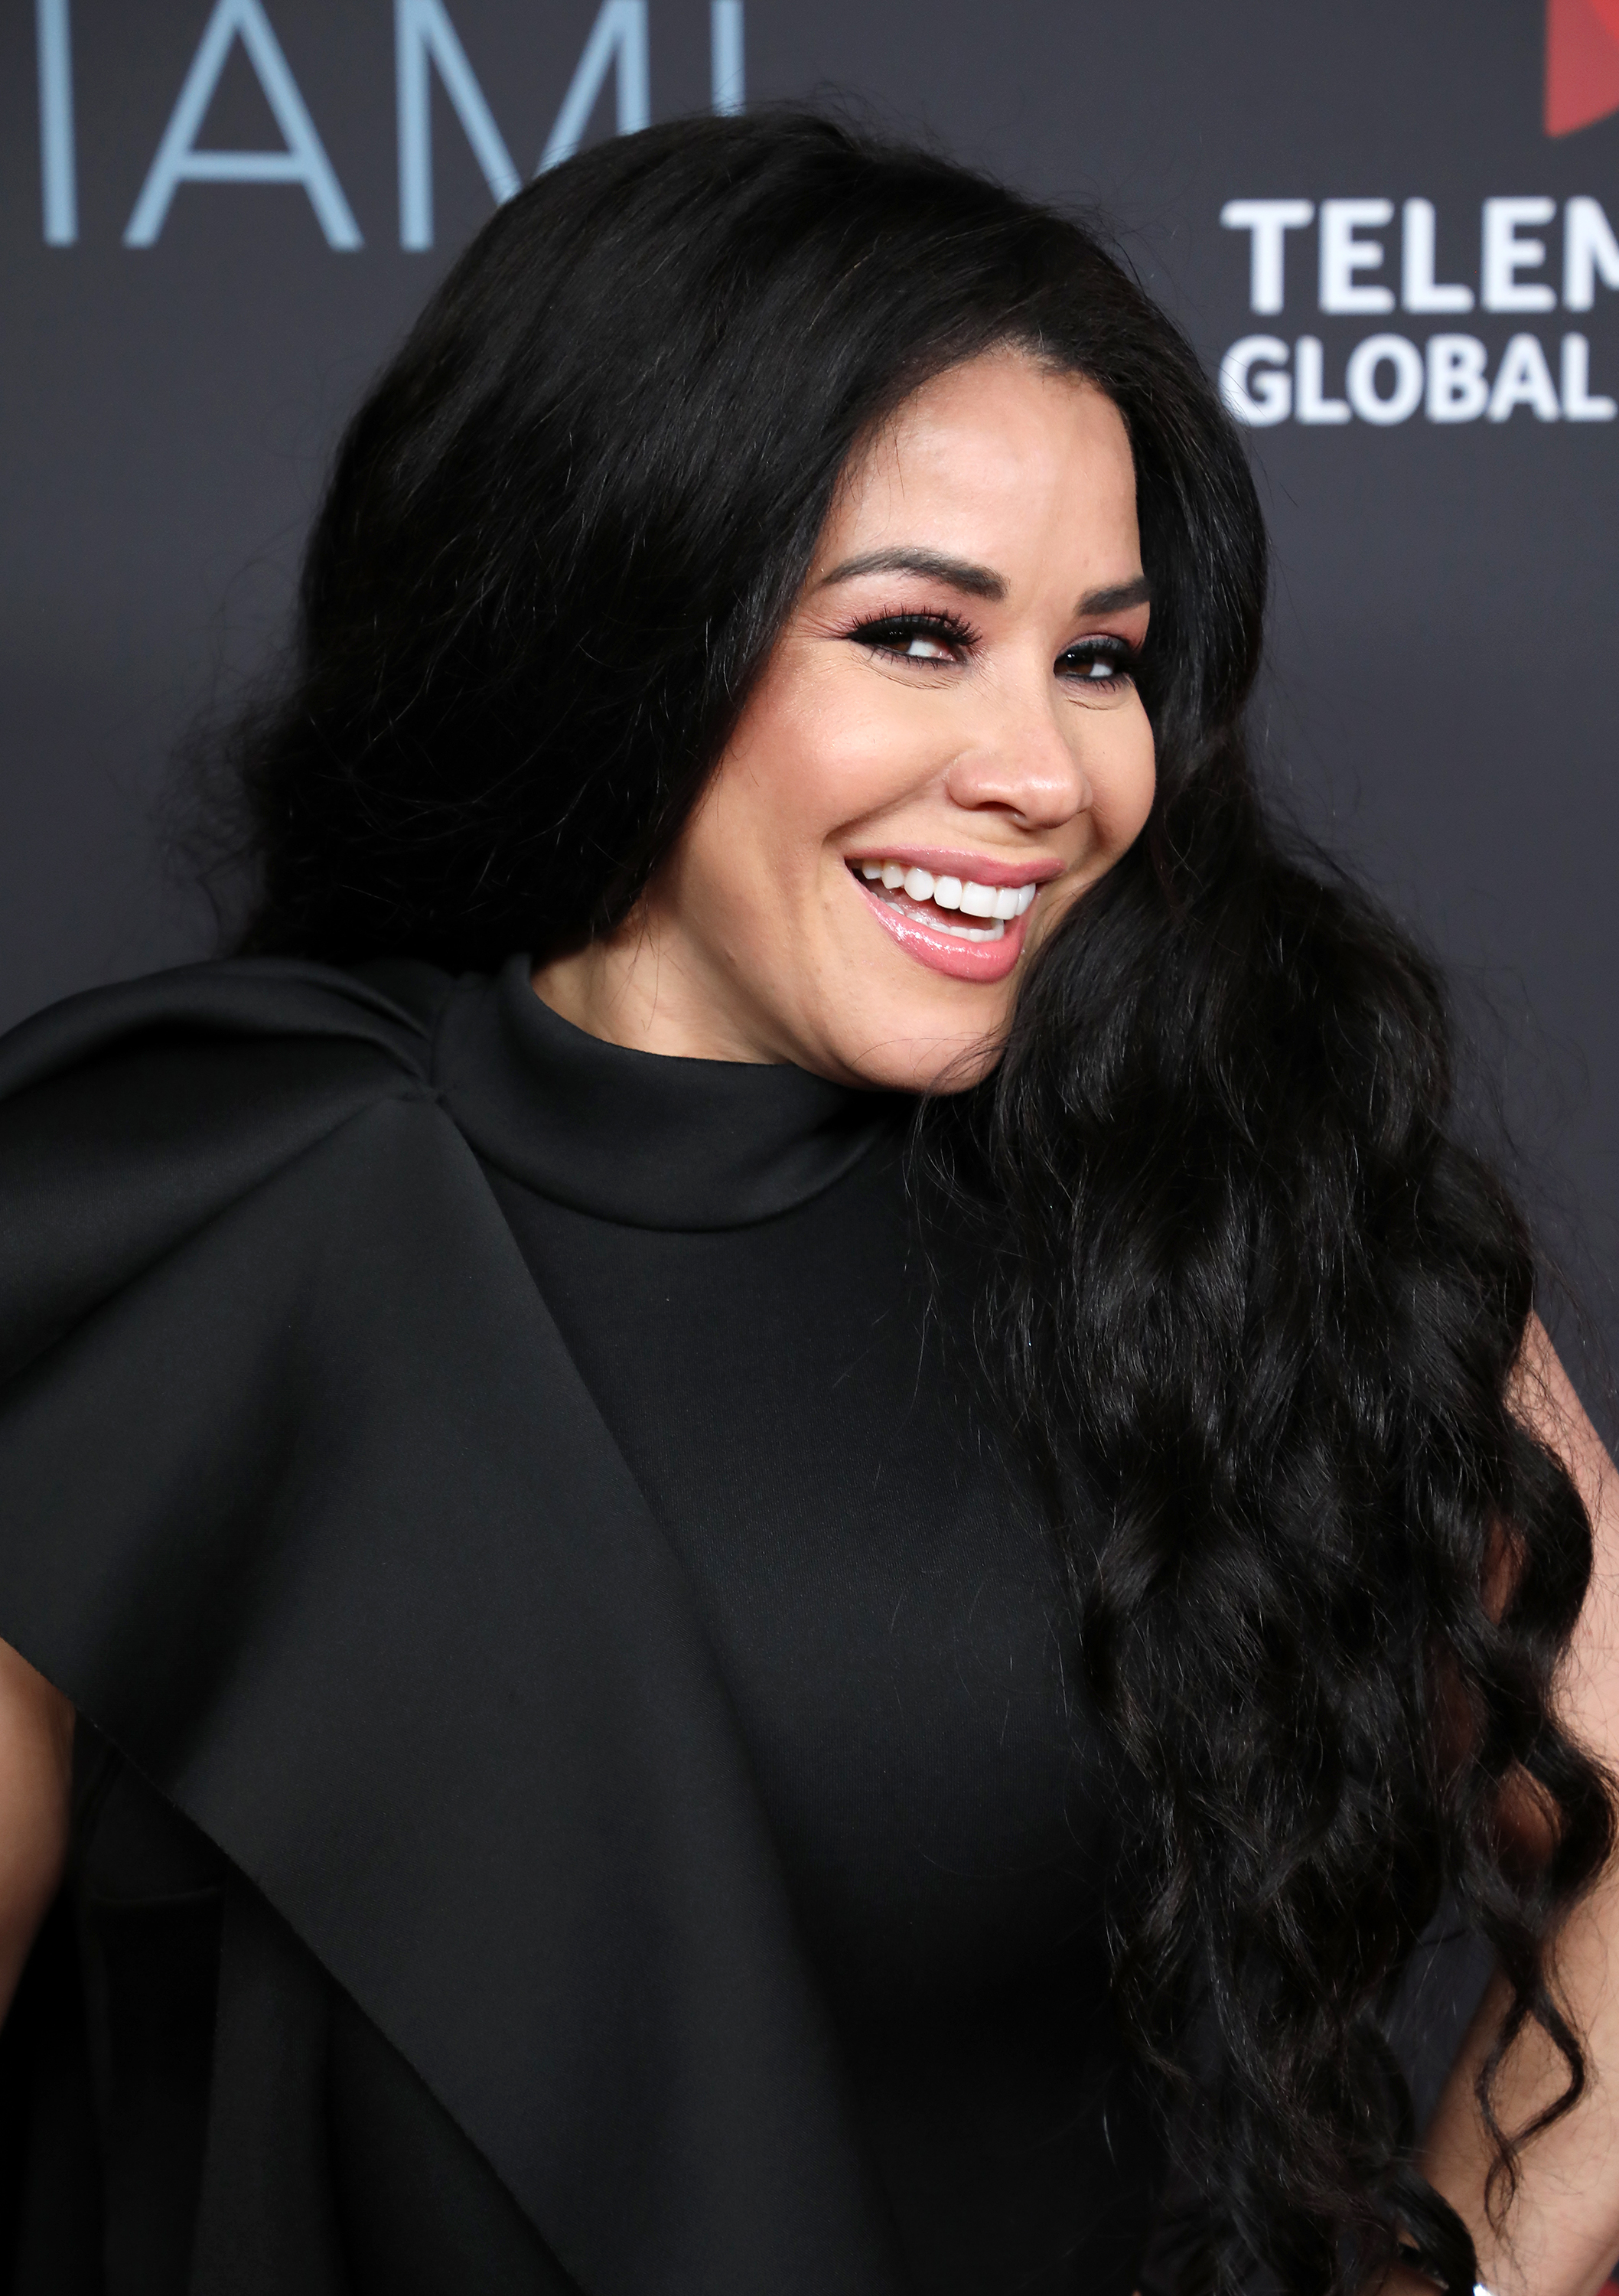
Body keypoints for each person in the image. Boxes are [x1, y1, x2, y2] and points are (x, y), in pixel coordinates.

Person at [0, 109, 1614, 2296]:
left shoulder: (1257, 1203)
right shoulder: (159, 1222)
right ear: (619, 608)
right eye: (916, 638)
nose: (1047, 778)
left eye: (1102, 657)